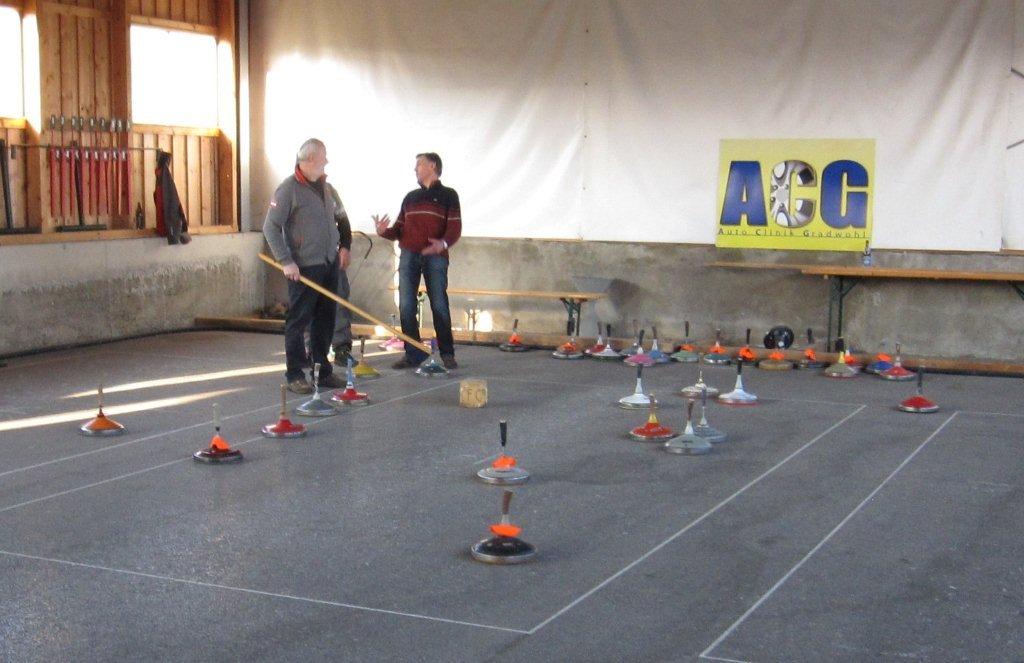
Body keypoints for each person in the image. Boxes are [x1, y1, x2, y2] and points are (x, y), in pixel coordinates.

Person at [263, 138, 351, 393]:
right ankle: (295, 374)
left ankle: (322, 370)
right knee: (299, 321)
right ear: (310, 159)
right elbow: (270, 227)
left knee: (325, 319)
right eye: (324, 157)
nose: (327, 161)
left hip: (328, 263)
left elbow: (342, 219)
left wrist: (345, 246)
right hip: (303, 268)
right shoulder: (288, 189)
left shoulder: (328, 189)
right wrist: (286, 261)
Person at [374, 152, 461, 369]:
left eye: (419, 165)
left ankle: (447, 353)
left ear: (432, 166)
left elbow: (455, 226)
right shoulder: (410, 198)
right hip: (409, 255)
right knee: (406, 305)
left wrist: (443, 244)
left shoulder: (449, 195)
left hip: (435, 257)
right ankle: (413, 353)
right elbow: (398, 229)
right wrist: (384, 232)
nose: (415, 169)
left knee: (439, 304)